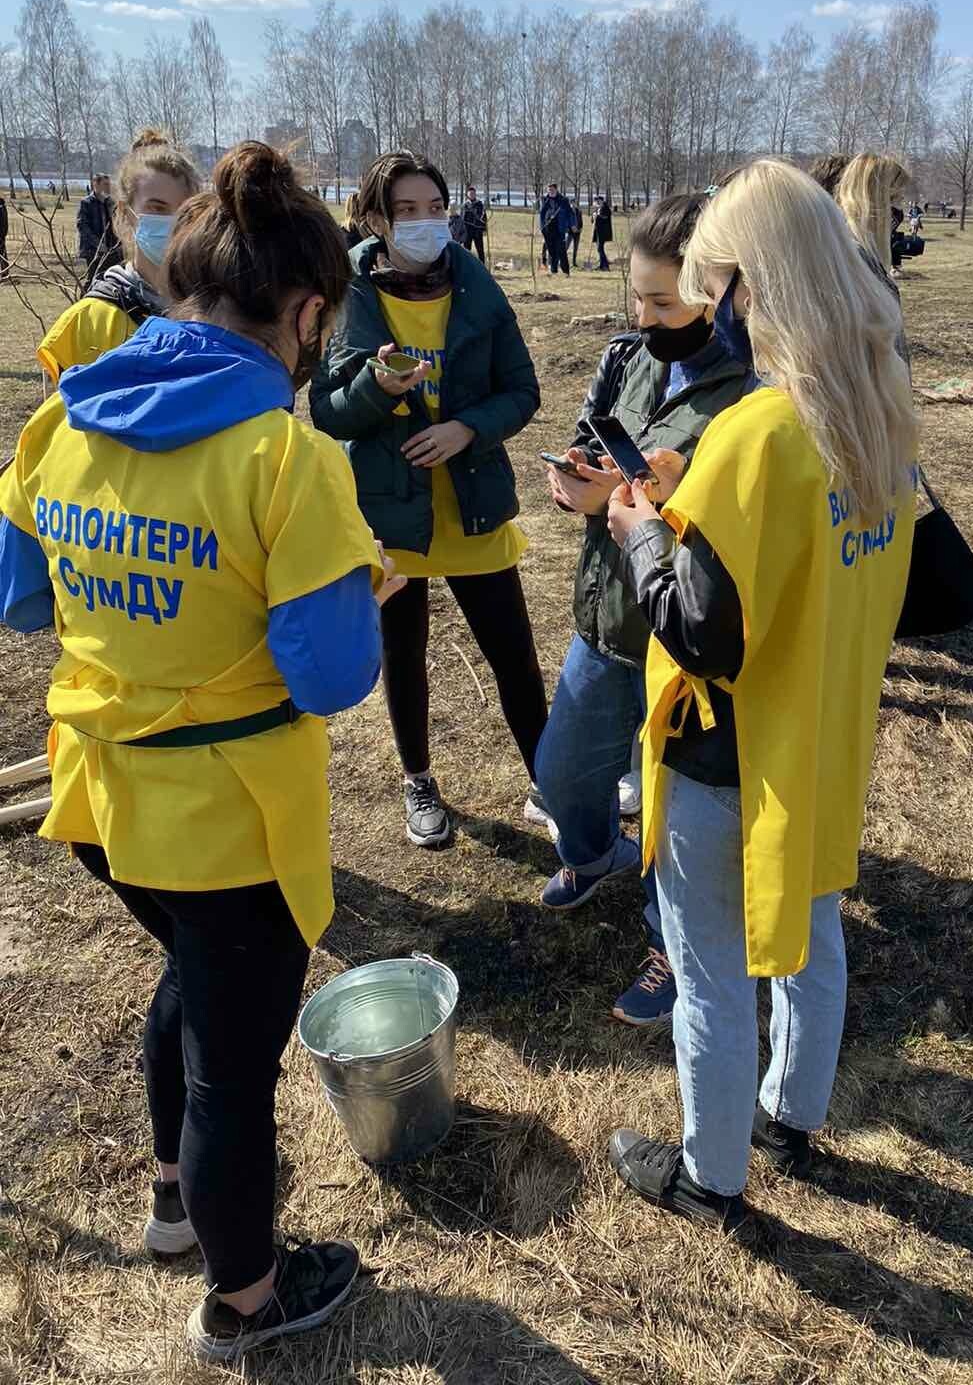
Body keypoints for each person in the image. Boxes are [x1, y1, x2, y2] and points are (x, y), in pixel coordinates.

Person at [0, 142, 399, 1360]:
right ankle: (245, 1295)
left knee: (188, 979)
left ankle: (175, 1195)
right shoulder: (289, 459)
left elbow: (22, 601)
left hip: (100, 799)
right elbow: (332, 675)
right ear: (309, 313)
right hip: (229, 818)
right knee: (236, 1060)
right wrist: (353, 596)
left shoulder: (62, 417)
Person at [601, 157, 917, 1228]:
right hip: (823, 731)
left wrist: (643, 532)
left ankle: (712, 1176)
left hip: (726, 746)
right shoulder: (877, 402)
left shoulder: (759, 431)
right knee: (815, 924)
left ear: (753, 285)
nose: (707, 308)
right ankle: (793, 1114)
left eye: (713, 285)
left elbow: (702, 630)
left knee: (710, 973)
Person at [535, 194, 752, 1026]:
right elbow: (597, 442)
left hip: (681, 637)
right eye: (637, 297)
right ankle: (595, 855)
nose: (644, 316)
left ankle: (671, 944)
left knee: (680, 817)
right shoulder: (630, 356)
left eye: (663, 301)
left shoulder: (750, 390)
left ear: (719, 291)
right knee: (562, 773)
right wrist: (582, 486)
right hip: (607, 615)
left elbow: (739, 523)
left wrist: (660, 499)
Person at [310, 149, 546, 848]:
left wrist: (466, 428)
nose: (424, 223)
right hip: (390, 510)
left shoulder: (475, 285)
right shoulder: (349, 293)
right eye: (406, 212)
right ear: (376, 219)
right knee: (403, 650)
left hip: (470, 500)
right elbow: (328, 412)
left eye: (435, 208)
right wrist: (376, 390)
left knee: (514, 651)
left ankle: (550, 781)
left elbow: (523, 391)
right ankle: (418, 781)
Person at [39, 130, 201, 384]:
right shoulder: (86, 322)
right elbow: (61, 418)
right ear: (126, 214)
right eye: (156, 208)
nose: (171, 222)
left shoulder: (216, 314)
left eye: (183, 211)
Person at [833, 153, 913, 282]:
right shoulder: (848, 254)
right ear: (873, 199)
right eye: (894, 198)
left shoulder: (864, 250)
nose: (898, 210)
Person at [76, 172, 120, 283]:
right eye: (105, 184)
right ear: (96, 184)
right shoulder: (86, 203)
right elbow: (82, 226)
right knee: (92, 279)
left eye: (109, 185)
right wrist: (98, 244)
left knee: (110, 278)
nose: (108, 188)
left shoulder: (110, 203)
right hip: (93, 250)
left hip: (111, 250)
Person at [540, 183, 574, 276]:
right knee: (551, 251)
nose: (550, 191)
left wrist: (572, 225)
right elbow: (542, 214)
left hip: (559, 229)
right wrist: (541, 227)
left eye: (552, 190)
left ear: (556, 189)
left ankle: (566, 271)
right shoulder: (545, 200)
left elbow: (570, 213)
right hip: (547, 229)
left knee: (561, 250)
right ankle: (554, 270)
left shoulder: (563, 200)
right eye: (549, 190)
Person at [463, 185, 488, 261]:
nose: (471, 195)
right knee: (466, 251)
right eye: (470, 194)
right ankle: (466, 267)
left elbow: (484, 217)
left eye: (473, 194)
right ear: (467, 195)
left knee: (480, 250)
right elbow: (462, 218)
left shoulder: (480, 204)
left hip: (477, 231)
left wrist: (484, 229)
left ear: (475, 194)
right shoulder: (465, 205)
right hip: (468, 231)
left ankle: (482, 267)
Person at [593, 194, 614, 271]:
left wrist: (597, 216)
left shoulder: (605, 208)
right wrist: (593, 217)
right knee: (599, 249)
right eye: (596, 201)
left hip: (603, 232)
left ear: (601, 200)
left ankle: (606, 266)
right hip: (598, 231)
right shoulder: (598, 208)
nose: (597, 202)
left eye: (598, 201)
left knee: (600, 249)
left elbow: (604, 218)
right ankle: (602, 265)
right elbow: (593, 220)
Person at [566, 197, 583, 266]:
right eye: (573, 202)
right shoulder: (567, 211)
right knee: (566, 247)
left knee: (575, 248)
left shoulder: (578, 211)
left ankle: (574, 262)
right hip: (570, 232)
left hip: (577, 232)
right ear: (570, 203)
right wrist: (570, 228)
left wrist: (581, 228)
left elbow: (581, 221)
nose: (575, 204)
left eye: (576, 203)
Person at [0, 192, 8, 280]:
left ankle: (5, 273)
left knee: (2, 254)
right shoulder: (3, 207)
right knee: (3, 254)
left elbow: (3, 223)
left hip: (1, 234)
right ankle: (5, 272)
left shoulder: (1, 208)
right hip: (2, 234)